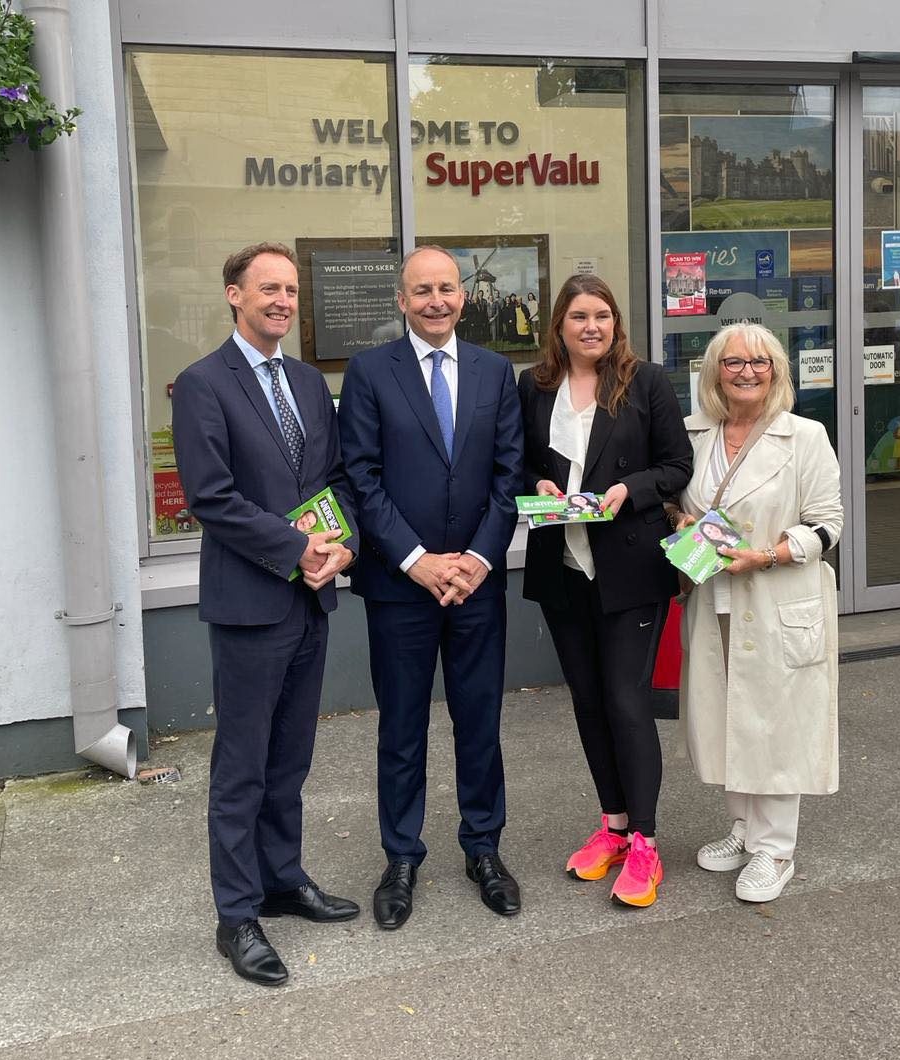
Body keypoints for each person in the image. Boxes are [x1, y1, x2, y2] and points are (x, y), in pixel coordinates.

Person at [171, 242, 360, 987]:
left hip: (311, 595)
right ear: (233, 295)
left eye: (290, 290)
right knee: (242, 766)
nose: (283, 300)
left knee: (291, 759)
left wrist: (339, 545)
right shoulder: (202, 385)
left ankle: (282, 879)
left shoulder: (310, 383)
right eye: (268, 288)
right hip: (252, 602)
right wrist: (296, 547)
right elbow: (210, 496)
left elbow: (336, 477)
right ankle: (237, 914)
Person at [338, 245, 524, 929]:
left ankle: (483, 849)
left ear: (463, 297)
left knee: (480, 722)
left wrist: (476, 558)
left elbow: (509, 474)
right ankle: (402, 857)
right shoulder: (368, 372)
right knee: (403, 727)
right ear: (402, 299)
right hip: (399, 586)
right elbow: (360, 475)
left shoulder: (495, 370)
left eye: (447, 288)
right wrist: (415, 558)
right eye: (423, 291)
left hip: (477, 584)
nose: (437, 300)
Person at [519, 273, 692, 908]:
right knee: (589, 702)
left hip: (628, 568)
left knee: (626, 701)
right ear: (558, 326)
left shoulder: (645, 382)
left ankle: (646, 841)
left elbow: (677, 465)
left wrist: (628, 491)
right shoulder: (535, 387)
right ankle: (613, 826)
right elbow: (515, 459)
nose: (592, 326)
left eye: (602, 316)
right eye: (578, 317)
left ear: (616, 323)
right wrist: (536, 483)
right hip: (564, 565)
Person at [670, 322, 842, 904]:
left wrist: (767, 554)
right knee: (730, 714)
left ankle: (775, 850)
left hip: (776, 596)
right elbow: (681, 502)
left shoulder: (806, 436)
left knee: (776, 720)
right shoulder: (695, 434)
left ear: (777, 371)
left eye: (760, 362)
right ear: (714, 371)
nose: (747, 371)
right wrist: (681, 526)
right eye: (733, 362)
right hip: (712, 594)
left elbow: (828, 524)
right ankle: (744, 829)